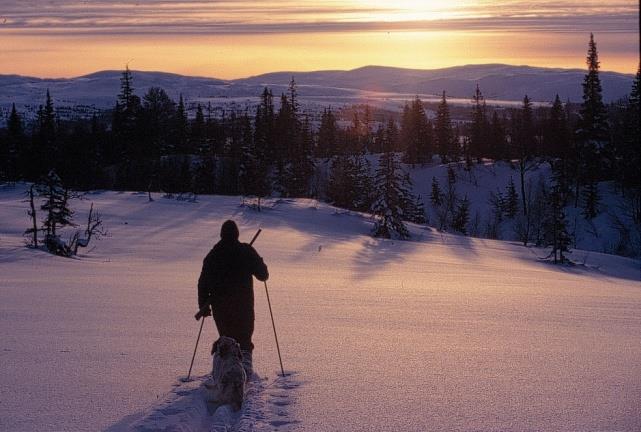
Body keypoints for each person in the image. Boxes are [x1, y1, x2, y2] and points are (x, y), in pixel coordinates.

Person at [198, 220, 268, 376]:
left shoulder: (212, 255)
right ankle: (245, 371)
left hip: (221, 308)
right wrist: (258, 261)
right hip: (243, 306)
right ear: (237, 234)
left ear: (221, 235)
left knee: (227, 338)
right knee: (244, 339)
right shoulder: (246, 251)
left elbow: (202, 283)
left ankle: (226, 372)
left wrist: (203, 305)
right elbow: (263, 275)